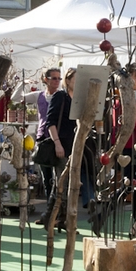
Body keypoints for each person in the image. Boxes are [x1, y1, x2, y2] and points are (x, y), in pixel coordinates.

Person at [40, 68, 76, 228]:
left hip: (74, 147)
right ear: (67, 81)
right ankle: (60, 218)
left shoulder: (78, 99)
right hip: (61, 145)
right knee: (62, 183)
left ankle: (50, 216)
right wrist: (57, 143)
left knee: (60, 184)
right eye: (75, 79)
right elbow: (51, 122)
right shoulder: (60, 96)